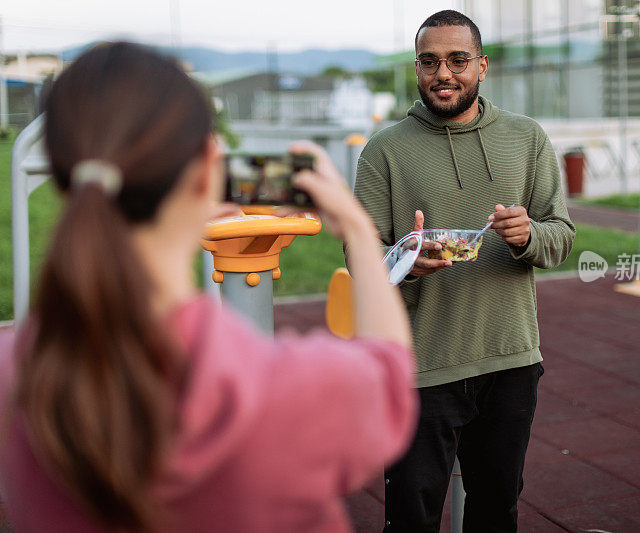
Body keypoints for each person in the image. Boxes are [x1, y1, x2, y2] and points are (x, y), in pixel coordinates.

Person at [0, 42, 417, 532]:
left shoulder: (14, 375)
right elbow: (389, 371)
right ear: (207, 169)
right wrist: (358, 229)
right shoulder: (288, 390)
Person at [352, 10, 576, 532]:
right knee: (410, 517)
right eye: (429, 62)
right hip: (419, 369)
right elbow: (360, 257)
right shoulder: (385, 149)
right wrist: (406, 261)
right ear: (416, 69)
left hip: (510, 360)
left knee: (496, 514)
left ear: (483, 65)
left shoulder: (527, 138)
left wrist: (528, 236)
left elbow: (560, 238)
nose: (443, 74)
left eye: (457, 60)